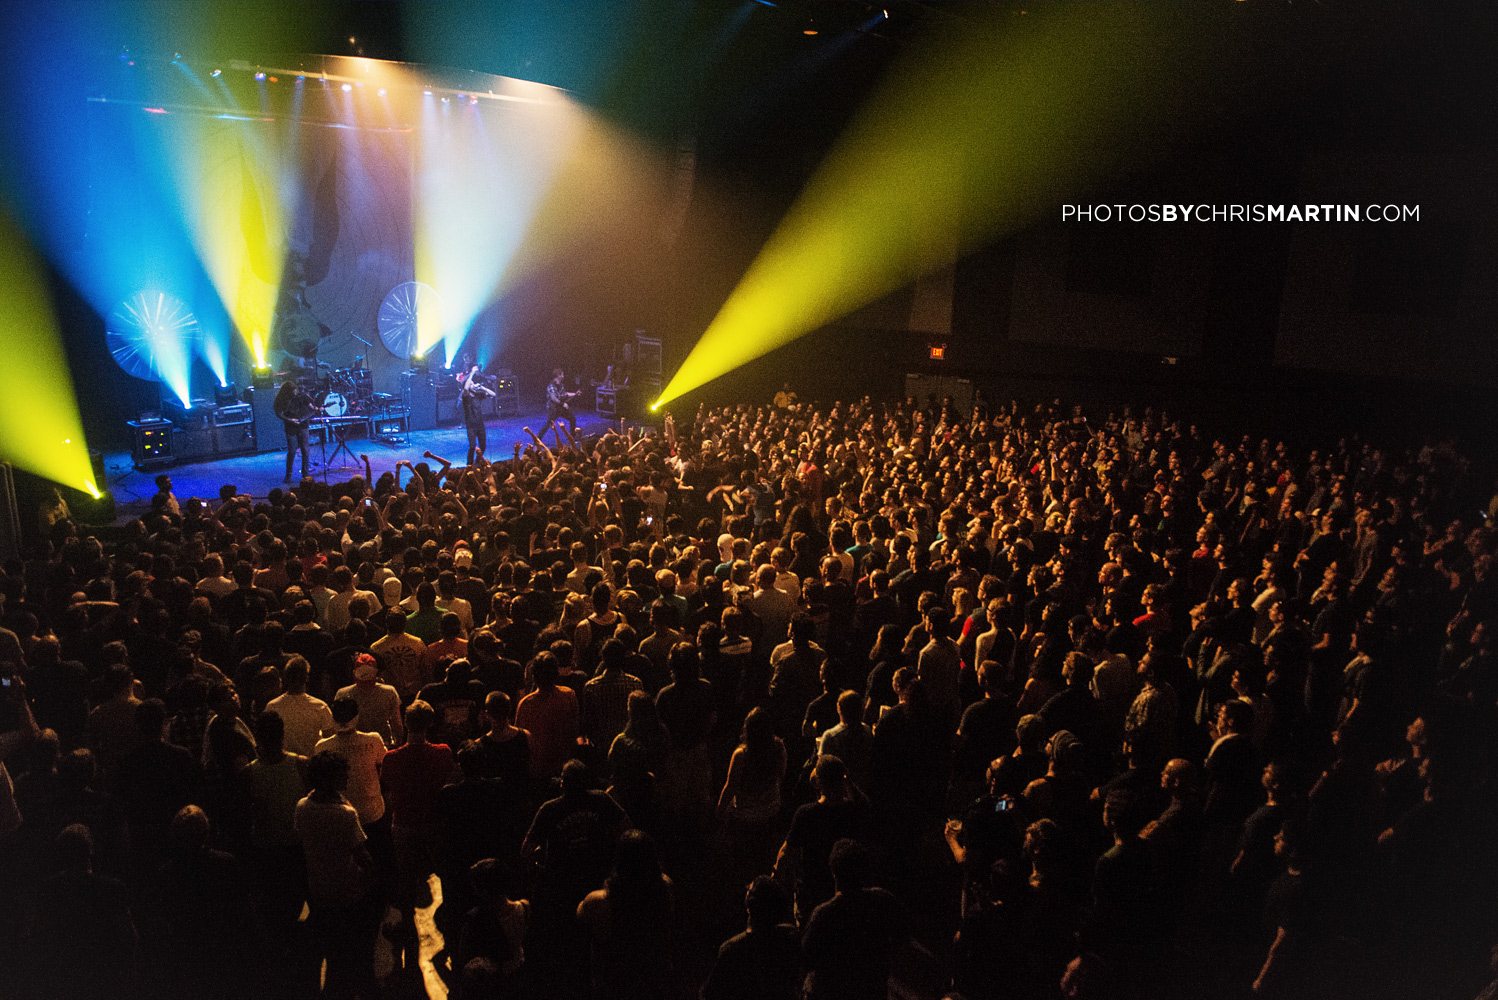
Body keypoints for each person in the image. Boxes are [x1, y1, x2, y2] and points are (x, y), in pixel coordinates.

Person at [800, 838, 908, 1000]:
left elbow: (806, 960)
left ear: (833, 871)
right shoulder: (883, 900)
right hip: (872, 990)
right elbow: (903, 936)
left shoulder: (824, 914)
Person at [576, 829, 674, 1000]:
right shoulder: (665, 887)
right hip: (654, 979)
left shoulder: (598, 901)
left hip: (614, 985)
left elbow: (580, 915)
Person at [701, 876, 800, 1000]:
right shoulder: (790, 938)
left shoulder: (732, 949)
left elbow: (710, 993)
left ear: (750, 901)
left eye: (750, 890)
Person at [273, 379, 315, 483]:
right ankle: (288, 475)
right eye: (293, 391)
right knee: (292, 451)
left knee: (305, 450)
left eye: (296, 391)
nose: (295, 393)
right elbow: (278, 413)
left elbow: (312, 408)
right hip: (290, 427)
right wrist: (290, 420)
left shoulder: (302, 396)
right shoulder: (282, 400)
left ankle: (305, 475)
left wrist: (315, 409)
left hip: (303, 425)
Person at [459, 365, 496, 466]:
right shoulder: (465, 397)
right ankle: (469, 464)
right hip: (471, 425)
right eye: (471, 383)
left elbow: (493, 394)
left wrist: (482, 388)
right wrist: (471, 374)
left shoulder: (478, 395)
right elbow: (466, 388)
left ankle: (476, 462)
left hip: (480, 425)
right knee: (472, 446)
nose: (473, 384)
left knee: (483, 446)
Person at [540, 368, 578, 445]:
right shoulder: (551, 385)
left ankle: (572, 438)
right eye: (562, 374)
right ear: (558, 375)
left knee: (572, 419)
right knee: (549, 424)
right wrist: (562, 404)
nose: (563, 376)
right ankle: (537, 439)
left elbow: (565, 394)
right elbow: (554, 398)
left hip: (560, 408)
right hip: (553, 408)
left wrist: (575, 394)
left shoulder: (561, 385)